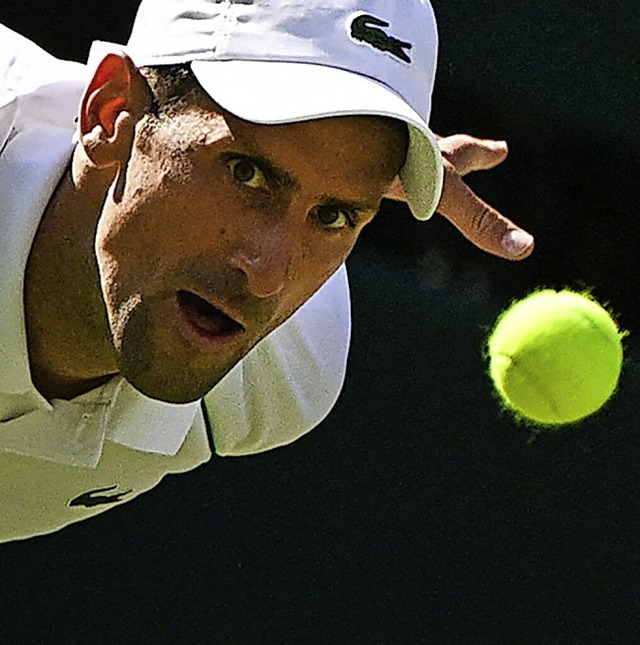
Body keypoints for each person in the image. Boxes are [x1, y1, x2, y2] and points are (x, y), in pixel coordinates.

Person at [0, 0, 533, 543]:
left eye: (333, 214)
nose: (266, 276)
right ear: (112, 114)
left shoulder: (279, 378)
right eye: (246, 172)